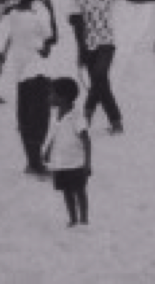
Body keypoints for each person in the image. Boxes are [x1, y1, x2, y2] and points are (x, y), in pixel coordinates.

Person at [4, 0, 57, 178]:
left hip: (21, 72)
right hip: (37, 72)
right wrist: (50, 8)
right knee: (40, 120)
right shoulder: (38, 16)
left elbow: (14, 7)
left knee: (25, 119)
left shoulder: (13, 15)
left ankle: (32, 161)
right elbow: (51, 39)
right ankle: (36, 164)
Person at [70, 0, 123, 134]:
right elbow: (77, 25)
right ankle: (94, 115)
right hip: (87, 45)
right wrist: (81, 50)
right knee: (99, 83)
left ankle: (114, 119)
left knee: (99, 76)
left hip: (107, 42)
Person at [42, 77, 91, 227]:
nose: (49, 97)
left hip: (76, 163)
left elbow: (86, 141)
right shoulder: (57, 115)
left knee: (79, 191)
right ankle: (73, 219)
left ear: (62, 98)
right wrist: (48, 149)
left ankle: (83, 219)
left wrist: (87, 164)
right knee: (67, 192)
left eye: (52, 94)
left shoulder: (76, 117)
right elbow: (55, 134)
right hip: (61, 162)